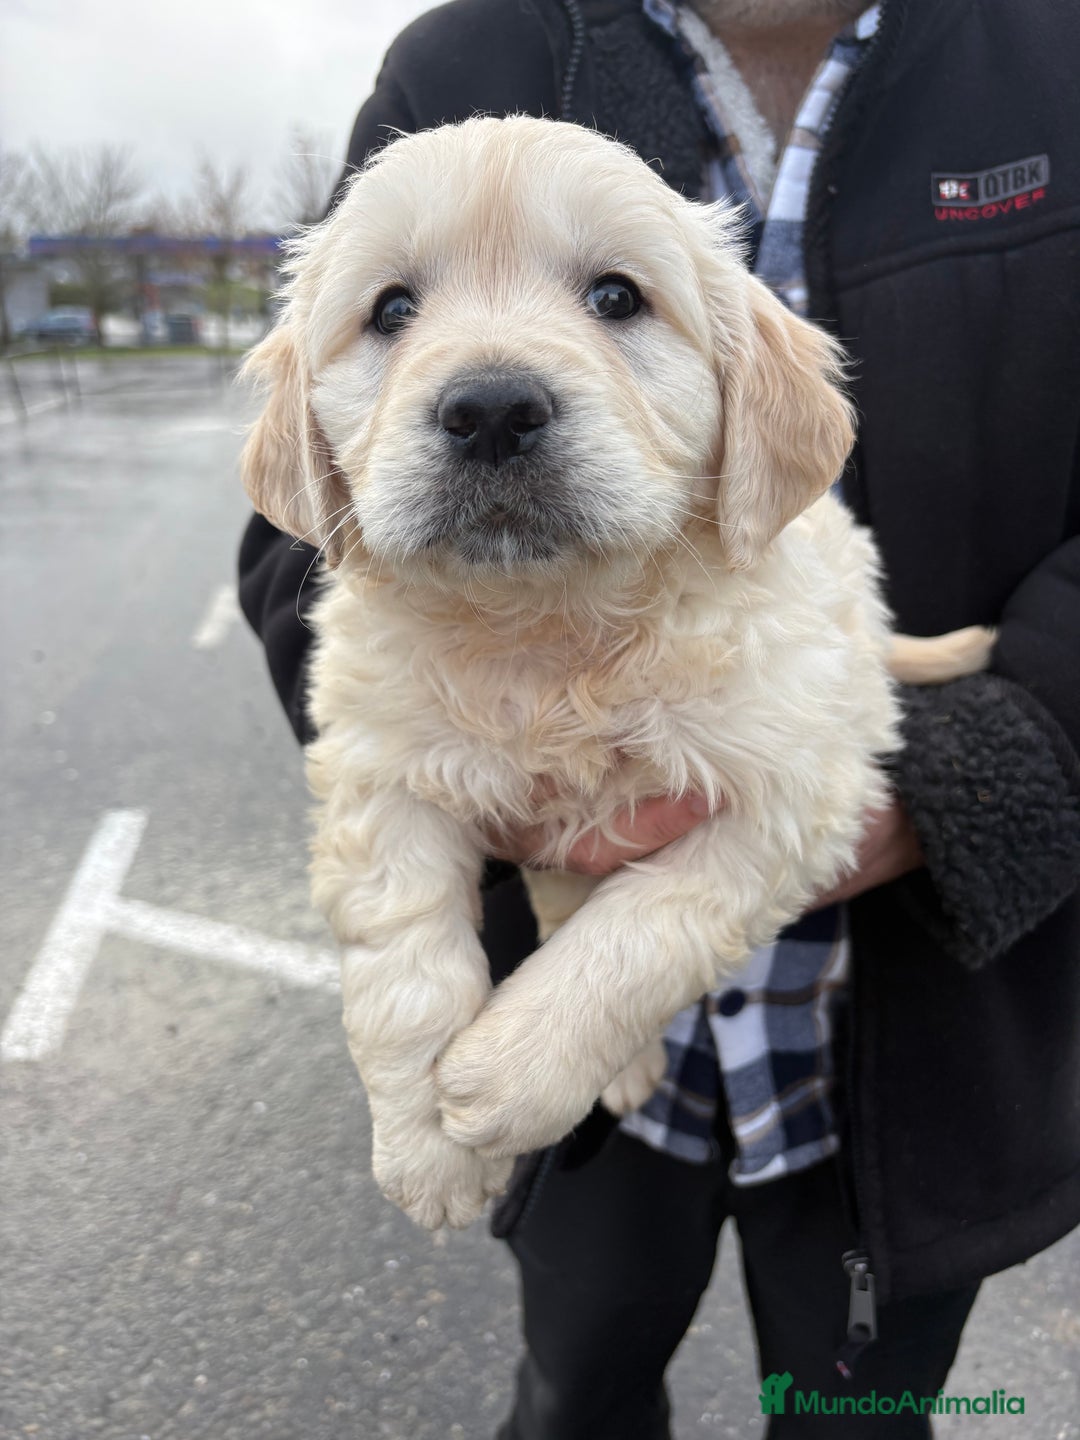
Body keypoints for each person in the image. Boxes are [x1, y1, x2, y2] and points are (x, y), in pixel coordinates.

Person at [238, 1, 1080, 1434]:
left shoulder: (1054, 53)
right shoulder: (461, 63)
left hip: (914, 1014)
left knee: (858, 1413)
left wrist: (1004, 755)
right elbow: (301, 574)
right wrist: (491, 854)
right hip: (575, 1069)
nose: (489, 390)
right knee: (577, 1390)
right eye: (397, 310)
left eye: (614, 297)